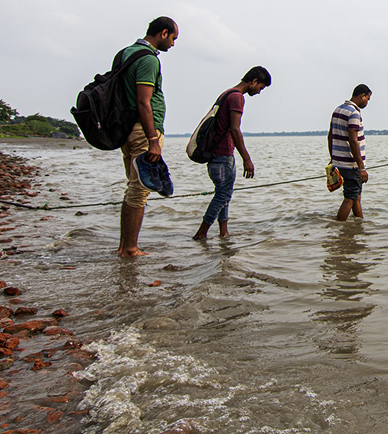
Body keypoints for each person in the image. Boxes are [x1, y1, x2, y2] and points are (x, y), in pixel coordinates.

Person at [115, 17, 178, 257]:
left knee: (133, 187)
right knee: (139, 190)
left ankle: (124, 246)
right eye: (173, 38)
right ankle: (129, 249)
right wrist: (153, 139)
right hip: (143, 130)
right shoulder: (148, 59)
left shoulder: (125, 53)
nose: (173, 44)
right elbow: (144, 102)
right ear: (163, 33)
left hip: (126, 128)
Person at [192, 66, 271, 240]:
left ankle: (224, 232)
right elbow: (235, 130)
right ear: (254, 82)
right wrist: (247, 159)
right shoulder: (236, 98)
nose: (259, 92)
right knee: (222, 195)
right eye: (261, 88)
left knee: (224, 194)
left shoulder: (227, 93)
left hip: (216, 156)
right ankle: (201, 233)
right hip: (222, 156)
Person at [330, 84, 372, 221]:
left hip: (340, 162)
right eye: (368, 99)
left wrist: (333, 158)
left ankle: (359, 224)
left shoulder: (338, 110)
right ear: (362, 96)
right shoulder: (354, 113)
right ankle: (340, 230)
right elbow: (353, 141)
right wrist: (361, 168)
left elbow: (330, 136)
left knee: (356, 196)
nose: (367, 102)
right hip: (351, 165)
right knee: (349, 198)